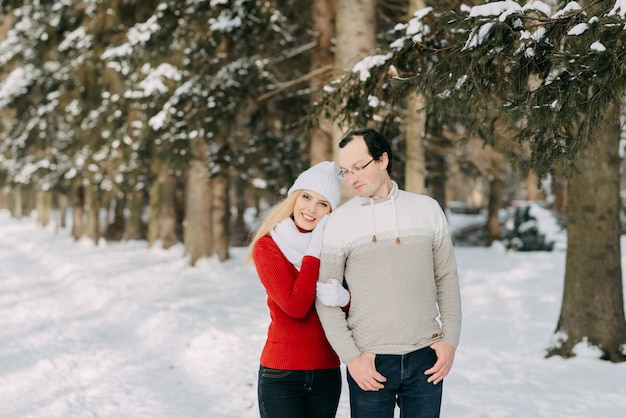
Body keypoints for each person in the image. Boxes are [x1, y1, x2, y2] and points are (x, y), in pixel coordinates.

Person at [315, 128, 462, 418]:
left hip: (426, 357)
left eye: (359, 167)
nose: (352, 178)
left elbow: (446, 278)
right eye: (346, 171)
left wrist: (450, 342)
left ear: (382, 160)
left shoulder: (427, 209)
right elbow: (325, 297)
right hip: (371, 361)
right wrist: (352, 358)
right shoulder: (340, 221)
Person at [246, 161, 343, 418]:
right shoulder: (269, 246)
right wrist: (314, 251)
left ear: (331, 211)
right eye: (306, 197)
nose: (311, 209)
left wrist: (345, 297)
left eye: (323, 203)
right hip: (281, 375)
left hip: (326, 372)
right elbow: (296, 306)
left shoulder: (336, 248)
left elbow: (349, 307)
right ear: (294, 197)